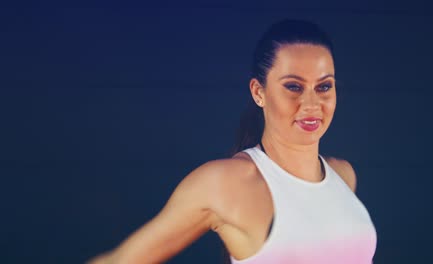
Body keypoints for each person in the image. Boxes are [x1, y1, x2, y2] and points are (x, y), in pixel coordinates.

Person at [87, 19, 377, 264]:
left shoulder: (343, 175)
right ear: (259, 92)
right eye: (293, 87)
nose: (312, 103)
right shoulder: (225, 183)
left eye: (324, 86)